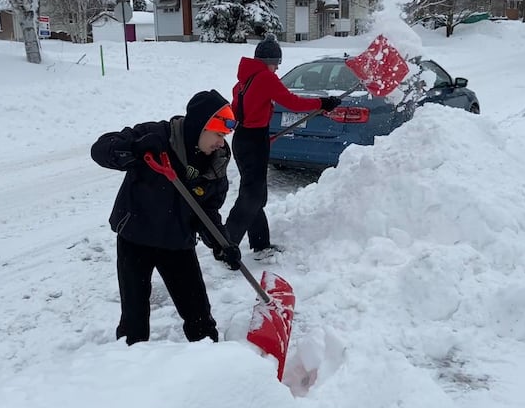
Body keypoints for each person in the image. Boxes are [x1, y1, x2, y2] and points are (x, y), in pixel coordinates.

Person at [91, 90, 243, 345]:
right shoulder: (157, 136)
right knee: (134, 321)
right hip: (135, 239)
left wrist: (222, 243)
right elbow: (100, 150)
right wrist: (135, 149)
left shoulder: (216, 162)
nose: (221, 142)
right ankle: (127, 367)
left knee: (199, 317)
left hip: (177, 243)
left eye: (224, 136)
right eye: (218, 134)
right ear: (200, 127)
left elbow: (206, 211)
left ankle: (213, 368)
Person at [224, 34, 341, 260]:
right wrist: (322, 103)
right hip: (253, 140)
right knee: (252, 196)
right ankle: (226, 243)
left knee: (255, 193)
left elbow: (242, 111)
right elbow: (292, 102)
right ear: (268, 60)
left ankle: (260, 245)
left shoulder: (243, 80)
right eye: (276, 63)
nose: (277, 68)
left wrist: (259, 135)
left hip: (244, 138)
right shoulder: (264, 78)